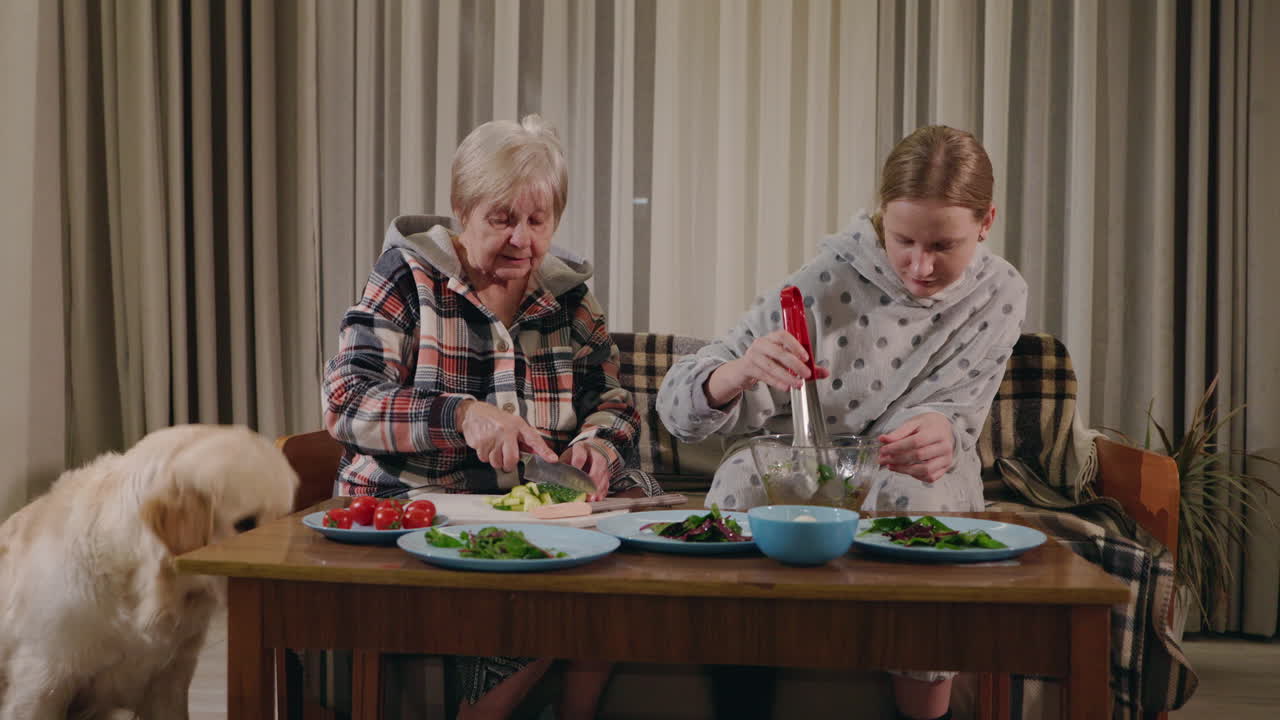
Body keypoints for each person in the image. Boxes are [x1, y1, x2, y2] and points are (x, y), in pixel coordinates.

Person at [656, 125, 1027, 720]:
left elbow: (960, 410)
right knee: (740, 480)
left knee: (918, 498)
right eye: (903, 240)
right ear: (882, 217)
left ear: (986, 222)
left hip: (911, 467)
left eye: (944, 245)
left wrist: (943, 430)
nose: (920, 265)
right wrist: (740, 371)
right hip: (804, 455)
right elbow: (678, 410)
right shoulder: (825, 279)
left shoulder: (1002, 293)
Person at [322, 114, 643, 719]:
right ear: (461, 211)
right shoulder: (407, 276)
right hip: (417, 502)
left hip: (532, 513)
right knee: (543, 573)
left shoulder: (571, 299)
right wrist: (463, 414)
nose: (522, 238)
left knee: (620, 542)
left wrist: (597, 447)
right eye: (502, 218)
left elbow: (613, 401)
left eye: (537, 220)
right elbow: (347, 400)